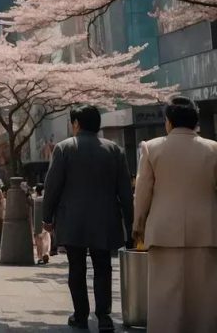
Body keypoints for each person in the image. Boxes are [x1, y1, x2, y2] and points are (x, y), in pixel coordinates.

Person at [42, 105, 133, 332]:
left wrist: (47, 217)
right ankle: (104, 316)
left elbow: (52, 186)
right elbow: (125, 191)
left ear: (76, 124)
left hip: (72, 220)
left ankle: (80, 315)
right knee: (103, 266)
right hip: (105, 219)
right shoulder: (115, 150)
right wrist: (131, 223)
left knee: (76, 267)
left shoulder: (64, 149)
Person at [133, 97, 217, 333]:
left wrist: (138, 225)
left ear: (168, 122)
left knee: (164, 301)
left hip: (163, 233)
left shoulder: (152, 148)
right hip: (207, 232)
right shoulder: (214, 149)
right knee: (204, 300)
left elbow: (142, 193)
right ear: (195, 122)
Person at [33, 184, 51, 265]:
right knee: (46, 239)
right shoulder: (46, 199)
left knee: (38, 241)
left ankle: (40, 257)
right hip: (45, 221)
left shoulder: (35, 199)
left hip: (37, 223)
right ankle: (46, 253)